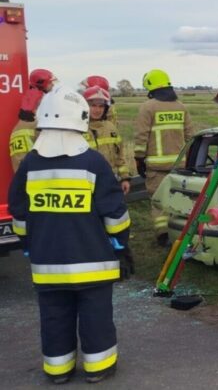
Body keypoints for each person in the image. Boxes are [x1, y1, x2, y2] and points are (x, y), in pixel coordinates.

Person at [8, 86, 132, 384]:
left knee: (54, 317)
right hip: (93, 263)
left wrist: (29, 246)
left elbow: (19, 214)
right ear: (81, 118)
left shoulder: (30, 163)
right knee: (95, 317)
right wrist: (120, 245)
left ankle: (58, 370)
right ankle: (98, 368)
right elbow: (115, 215)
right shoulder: (92, 162)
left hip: (47, 264)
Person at [133, 69, 192, 246]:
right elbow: (190, 136)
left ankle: (163, 235)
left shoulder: (147, 107)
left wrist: (139, 158)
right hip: (179, 165)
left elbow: (141, 136)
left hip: (156, 167)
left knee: (158, 201)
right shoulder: (181, 107)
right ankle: (180, 234)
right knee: (179, 200)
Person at [83, 86, 131, 195]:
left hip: (109, 181)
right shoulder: (77, 129)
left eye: (101, 106)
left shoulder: (111, 128)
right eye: (93, 106)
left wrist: (124, 178)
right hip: (85, 183)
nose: (97, 110)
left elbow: (120, 156)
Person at [9, 69, 57, 171]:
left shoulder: (48, 119)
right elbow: (21, 165)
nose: (53, 87)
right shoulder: (25, 127)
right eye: (51, 84)